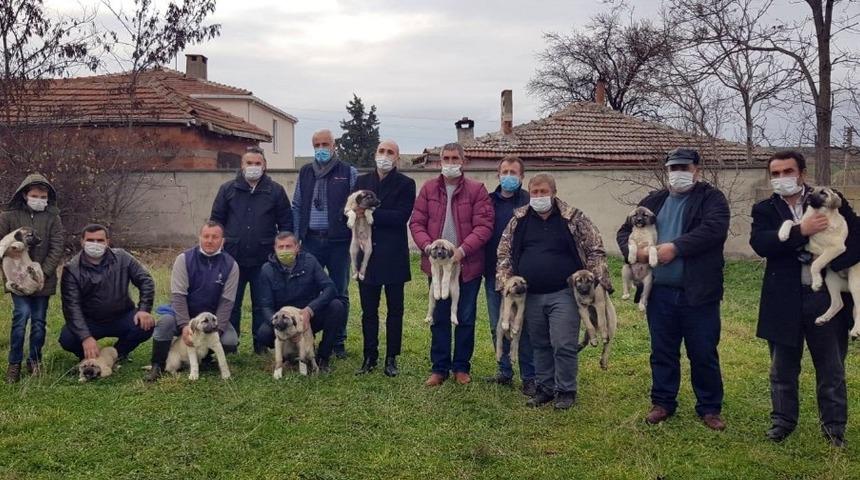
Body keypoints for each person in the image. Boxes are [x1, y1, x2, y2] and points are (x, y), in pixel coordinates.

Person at [750, 150, 860, 447]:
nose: (782, 178)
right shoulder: (764, 209)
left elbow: (856, 236)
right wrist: (802, 231)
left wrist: (834, 263)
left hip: (824, 295)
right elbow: (761, 243)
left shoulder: (830, 198)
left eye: (788, 171)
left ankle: (834, 428)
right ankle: (782, 422)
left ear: (802, 174)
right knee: (782, 368)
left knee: (831, 367)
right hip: (783, 297)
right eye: (775, 173)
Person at [616, 147, 729, 430]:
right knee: (662, 351)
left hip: (698, 291)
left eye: (684, 168)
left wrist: (676, 248)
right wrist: (635, 254)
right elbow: (624, 230)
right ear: (667, 171)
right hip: (659, 292)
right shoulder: (653, 200)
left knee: (703, 352)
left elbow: (713, 230)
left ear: (696, 170)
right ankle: (663, 402)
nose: (678, 173)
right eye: (673, 168)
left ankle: (709, 408)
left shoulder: (711, 199)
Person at [496, 173, 611, 409]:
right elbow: (503, 253)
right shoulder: (519, 220)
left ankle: (566, 390)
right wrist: (505, 283)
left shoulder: (574, 218)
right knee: (539, 344)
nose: (539, 196)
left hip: (564, 293)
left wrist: (595, 282)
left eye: (543, 192)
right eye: (534, 192)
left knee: (563, 343)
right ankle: (545, 388)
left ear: (554, 193)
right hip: (530, 294)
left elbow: (595, 249)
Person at [409, 142, 493, 386]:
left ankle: (461, 367)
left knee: (465, 317)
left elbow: (484, 226)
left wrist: (462, 251)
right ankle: (439, 368)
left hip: (467, 264)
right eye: (446, 158)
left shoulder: (477, 190)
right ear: (440, 162)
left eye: (455, 158)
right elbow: (417, 223)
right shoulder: (428, 189)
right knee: (439, 316)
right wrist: (428, 247)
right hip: (437, 265)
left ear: (463, 161)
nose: (450, 162)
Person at [210, 146, 292, 354]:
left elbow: (286, 224)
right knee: (232, 302)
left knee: (261, 302)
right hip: (232, 258)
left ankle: (260, 344)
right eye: (249, 163)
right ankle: (230, 343)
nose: (253, 167)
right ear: (242, 165)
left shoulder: (276, 191)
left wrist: (281, 249)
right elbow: (216, 221)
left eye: (257, 163)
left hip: (264, 259)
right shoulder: (227, 189)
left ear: (264, 166)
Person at [144, 221, 240, 382]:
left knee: (230, 340)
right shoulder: (183, 259)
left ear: (223, 241)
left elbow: (227, 303)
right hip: (184, 314)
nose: (210, 240)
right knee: (165, 324)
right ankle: (158, 365)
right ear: (200, 238)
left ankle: (205, 358)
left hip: (210, 319)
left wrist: (218, 331)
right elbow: (178, 297)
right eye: (206, 236)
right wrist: (184, 326)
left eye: (215, 237)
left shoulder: (232, 265)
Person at [292, 129, 358, 359]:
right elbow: (297, 205)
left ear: (333, 145)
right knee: (309, 290)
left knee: (340, 291)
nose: (321, 149)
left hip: (339, 242)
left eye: (325, 144)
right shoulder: (305, 171)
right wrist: (296, 237)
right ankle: (307, 336)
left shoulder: (348, 172)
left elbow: (356, 206)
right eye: (317, 145)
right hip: (311, 241)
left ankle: (338, 341)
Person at [354, 140, 416, 377]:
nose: (385, 155)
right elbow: (351, 211)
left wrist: (369, 212)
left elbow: (400, 217)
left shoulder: (406, 184)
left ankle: (391, 358)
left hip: (393, 256)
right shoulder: (361, 182)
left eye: (390, 152)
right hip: (366, 256)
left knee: (395, 311)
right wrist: (357, 213)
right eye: (381, 151)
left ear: (397, 158)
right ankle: (369, 356)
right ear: (375, 154)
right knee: (368, 311)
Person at [0, 174, 64, 383]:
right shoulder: (8, 217)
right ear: (25, 194)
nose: (39, 200)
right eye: (35, 195)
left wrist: (42, 274)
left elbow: (57, 247)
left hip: (43, 281)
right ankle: (14, 363)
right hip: (17, 278)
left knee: (38, 322)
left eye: (43, 197)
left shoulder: (53, 218)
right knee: (21, 317)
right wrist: (13, 269)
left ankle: (35, 360)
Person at [58, 224, 155, 361]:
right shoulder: (71, 269)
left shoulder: (122, 258)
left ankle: (118, 353)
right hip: (90, 321)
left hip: (122, 316)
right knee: (67, 339)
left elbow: (145, 280)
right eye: (90, 240)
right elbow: (71, 307)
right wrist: (85, 337)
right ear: (82, 241)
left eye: (100, 240)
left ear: (107, 242)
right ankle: (89, 356)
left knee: (145, 325)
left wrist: (144, 309)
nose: (95, 244)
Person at [482, 156, 535, 396]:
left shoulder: (529, 201)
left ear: (522, 176)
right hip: (493, 274)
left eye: (514, 172)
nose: (509, 176)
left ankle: (529, 376)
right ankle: (504, 370)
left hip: (522, 276)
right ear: (498, 174)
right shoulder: (488, 201)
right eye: (505, 172)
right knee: (498, 324)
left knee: (522, 326)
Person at [256, 232, 347, 373]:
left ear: (297, 247)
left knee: (337, 307)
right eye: (281, 247)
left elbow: (330, 288)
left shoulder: (310, 262)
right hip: (284, 321)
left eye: (288, 246)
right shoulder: (267, 270)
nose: (285, 250)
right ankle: (288, 354)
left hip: (309, 319)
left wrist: (310, 310)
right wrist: (284, 327)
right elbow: (266, 306)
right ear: (274, 248)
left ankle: (323, 357)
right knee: (264, 334)